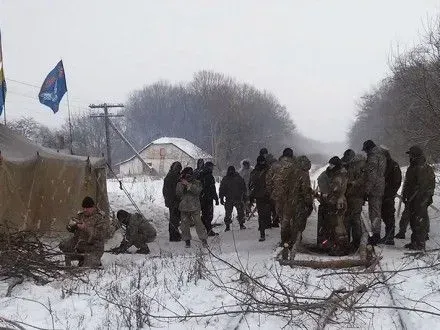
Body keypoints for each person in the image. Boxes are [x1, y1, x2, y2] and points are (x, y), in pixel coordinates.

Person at [402, 146, 435, 250]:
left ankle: (420, 244)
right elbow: (408, 183)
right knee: (413, 220)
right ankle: (414, 242)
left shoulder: (422, 167)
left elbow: (422, 186)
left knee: (419, 221)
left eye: (411, 154)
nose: (409, 156)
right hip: (413, 199)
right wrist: (405, 196)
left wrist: (415, 197)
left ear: (415, 155)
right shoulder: (412, 167)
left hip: (420, 199)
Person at [59, 196, 106, 267]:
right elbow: (70, 229)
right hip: (80, 245)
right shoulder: (81, 216)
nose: (85, 210)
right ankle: (79, 259)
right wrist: (71, 226)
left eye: (87, 208)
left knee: (87, 268)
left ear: (93, 207)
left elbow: (101, 234)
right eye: (83, 208)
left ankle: (94, 260)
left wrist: (86, 228)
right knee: (64, 244)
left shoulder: (100, 218)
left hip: (93, 247)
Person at [266, 148, 297, 246]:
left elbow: (268, 180)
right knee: (291, 218)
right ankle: (292, 239)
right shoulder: (295, 166)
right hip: (292, 196)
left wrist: (272, 192)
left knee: (283, 217)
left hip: (278, 196)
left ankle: (284, 240)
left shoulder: (275, 166)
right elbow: (301, 181)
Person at [176, 167, 208, 248]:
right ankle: (187, 241)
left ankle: (204, 240)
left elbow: (198, 191)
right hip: (184, 207)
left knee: (199, 224)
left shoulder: (196, 182)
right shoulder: (180, 183)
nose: (188, 177)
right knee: (184, 225)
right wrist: (182, 185)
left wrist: (189, 185)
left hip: (195, 207)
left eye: (189, 176)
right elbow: (178, 194)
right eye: (186, 175)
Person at [362, 140, 387, 246]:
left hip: (374, 188)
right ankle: (376, 234)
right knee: (376, 211)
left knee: (374, 212)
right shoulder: (382, 155)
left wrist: (366, 190)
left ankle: (375, 236)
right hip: (380, 186)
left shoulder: (373, 157)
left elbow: (371, 176)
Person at [341, 149, 366, 252]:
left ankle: (355, 243)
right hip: (350, 196)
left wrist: (352, 183)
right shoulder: (351, 165)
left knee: (354, 219)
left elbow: (362, 180)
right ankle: (348, 242)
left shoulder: (359, 166)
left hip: (356, 196)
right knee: (347, 219)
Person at [326, 156, 349, 256]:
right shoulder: (342, 174)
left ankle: (340, 249)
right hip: (341, 201)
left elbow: (336, 191)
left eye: (331, 165)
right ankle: (343, 247)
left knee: (338, 226)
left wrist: (329, 199)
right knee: (341, 225)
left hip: (338, 203)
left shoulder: (337, 177)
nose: (330, 167)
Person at [380, 148, 402, 245]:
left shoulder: (393, 165)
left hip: (388, 194)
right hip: (383, 194)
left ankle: (390, 237)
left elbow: (397, 181)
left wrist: (391, 192)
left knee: (388, 215)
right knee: (385, 215)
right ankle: (389, 236)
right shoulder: (386, 164)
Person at [291, 155, 314, 248]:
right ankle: (296, 241)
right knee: (300, 222)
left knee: (292, 220)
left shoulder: (291, 172)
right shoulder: (303, 174)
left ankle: (291, 240)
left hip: (290, 200)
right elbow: (306, 190)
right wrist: (309, 202)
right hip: (300, 201)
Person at [249, 156, 271, 241]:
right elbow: (251, 185)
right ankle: (262, 232)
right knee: (262, 215)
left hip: (265, 195)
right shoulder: (258, 171)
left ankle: (264, 229)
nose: (262, 163)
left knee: (264, 214)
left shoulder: (258, 171)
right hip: (263, 196)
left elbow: (251, 185)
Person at [219, 166, 247, 231]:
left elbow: (243, 187)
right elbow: (222, 189)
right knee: (228, 213)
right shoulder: (226, 179)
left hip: (238, 198)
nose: (231, 171)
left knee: (240, 212)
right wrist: (221, 197)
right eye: (230, 170)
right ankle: (228, 226)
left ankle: (241, 224)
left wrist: (244, 196)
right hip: (229, 198)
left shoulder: (238, 178)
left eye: (232, 170)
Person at [163, 162, 183, 242]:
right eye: (177, 168)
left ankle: (175, 234)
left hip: (174, 201)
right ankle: (173, 236)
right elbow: (168, 191)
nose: (178, 170)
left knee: (175, 219)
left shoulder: (173, 175)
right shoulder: (172, 176)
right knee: (174, 219)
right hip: (173, 201)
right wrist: (171, 200)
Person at [199, 161, 220, 236]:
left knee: (205, 214)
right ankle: (209, 230)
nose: (213, 168)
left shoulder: (200, 174)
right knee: (209, 215)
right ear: (209, 167)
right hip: (208, 198)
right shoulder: (209, 176)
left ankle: (205, 227)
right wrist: (216, 199)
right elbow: (212, 189)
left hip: (201, 197)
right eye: (212, 167)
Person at [260, 148, 278, 226]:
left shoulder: (264, 161)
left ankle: (269, 222)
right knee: (274, 205)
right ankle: (275, 221)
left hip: (268, 185)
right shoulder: (274, 161)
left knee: (268, 205)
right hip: (274, 185)